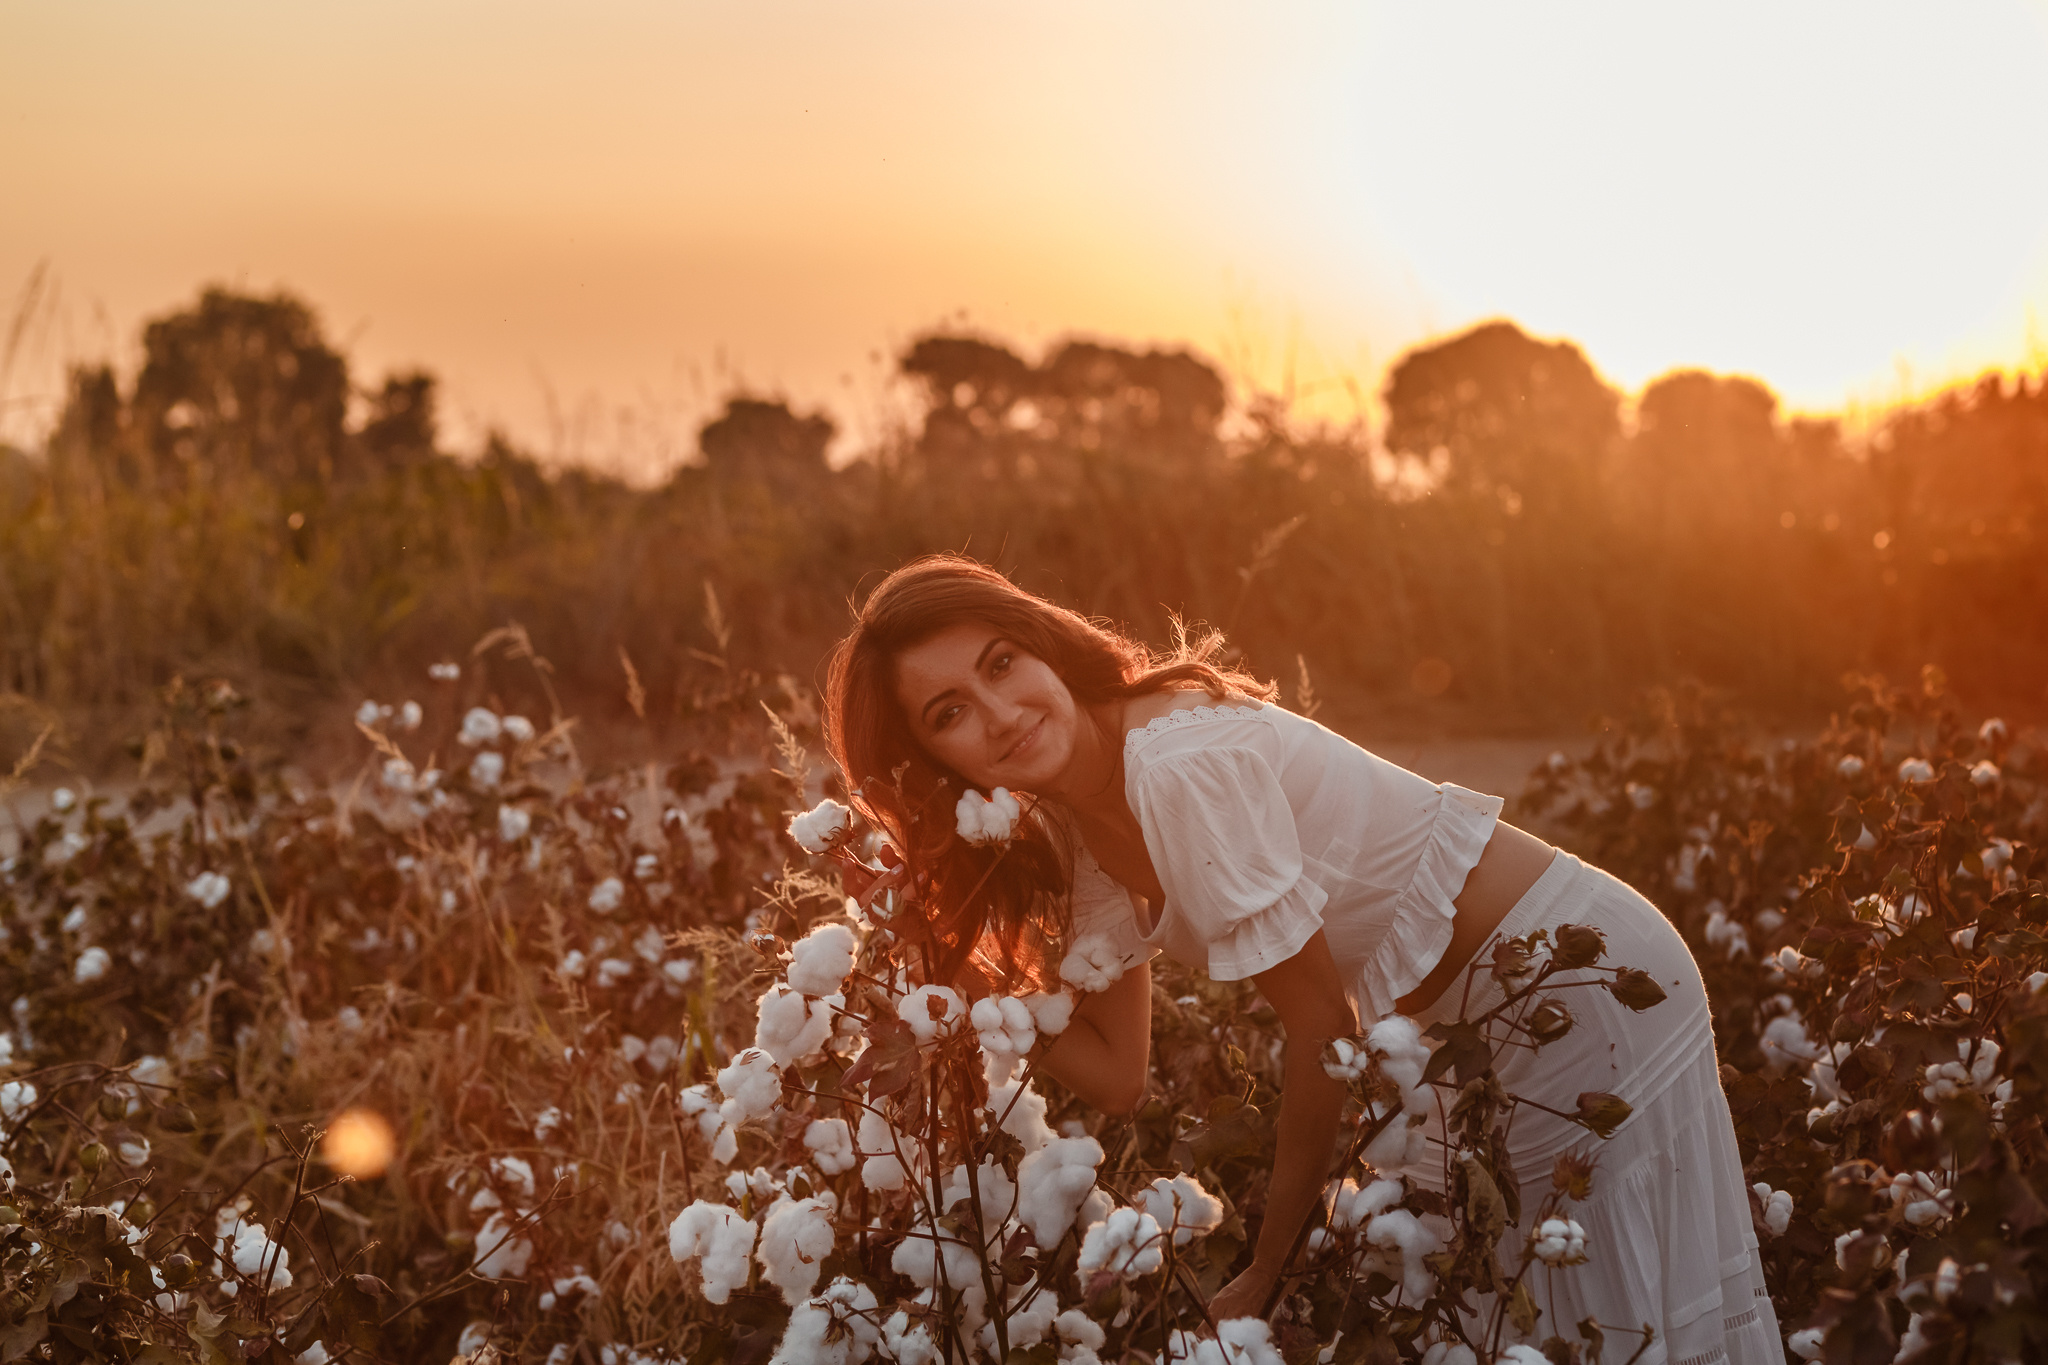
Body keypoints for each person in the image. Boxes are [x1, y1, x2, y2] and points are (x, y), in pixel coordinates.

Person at [824, 555, 1779, 1360]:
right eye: (950, 711)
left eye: (1002, 661)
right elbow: (1117, 1076)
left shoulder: (1175, 764)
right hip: (1474, 1036)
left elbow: (1325, 1027)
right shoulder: (1078, 834)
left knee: (1587, 1314)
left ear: (1040, 641)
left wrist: (1267, 1268)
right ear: (934, 764)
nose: (1000, 711)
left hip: (1579, 983)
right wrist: (957, 981)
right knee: (1515, 1315)